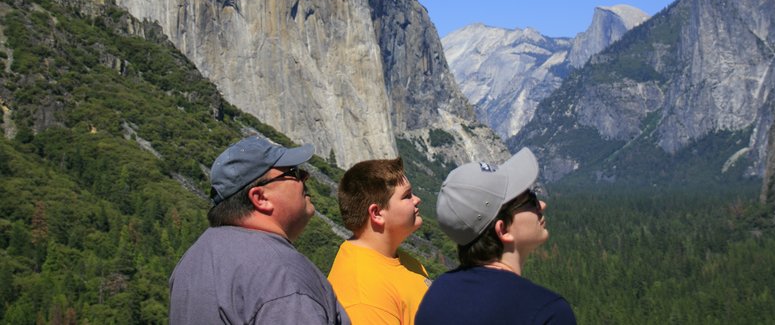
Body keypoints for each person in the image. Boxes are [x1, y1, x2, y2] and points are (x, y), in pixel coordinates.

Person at [169, 135, 350, 324]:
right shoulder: (282, 275)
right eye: (293, 173)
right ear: (260, 198)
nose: (306, 176)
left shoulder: (192, 261)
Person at [415, 149, 576, 325]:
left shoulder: (436, 294)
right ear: (503, 229)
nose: (542, 205)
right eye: (531, 200)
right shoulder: (545, 311)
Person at [327, 157, 430, 324]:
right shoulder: (363, 294)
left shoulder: (399, 259)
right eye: (407, 196)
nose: (417, 200)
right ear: (376, 214)